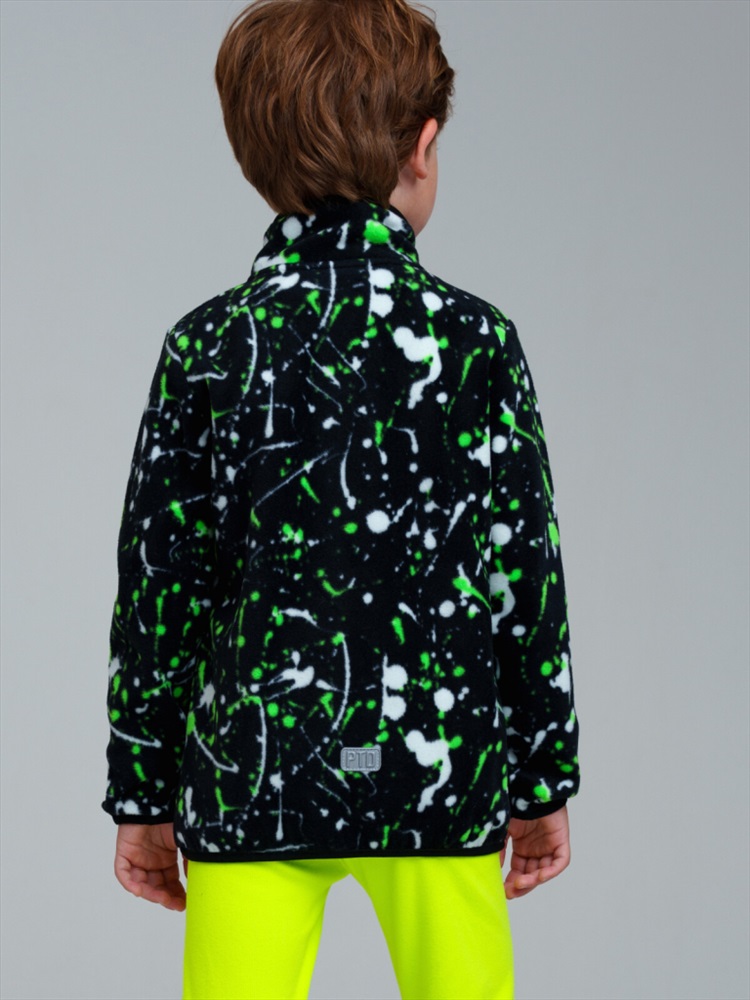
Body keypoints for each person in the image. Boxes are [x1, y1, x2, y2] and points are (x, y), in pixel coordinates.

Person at [102, 1, 581, 997]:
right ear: (424, 147)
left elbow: (159, 588)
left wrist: (142, 793)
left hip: (255, 773)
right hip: (437, 768)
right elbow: (524, 580)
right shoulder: (476, 344)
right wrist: (542, 777)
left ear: (256, 159)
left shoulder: (208, 347)